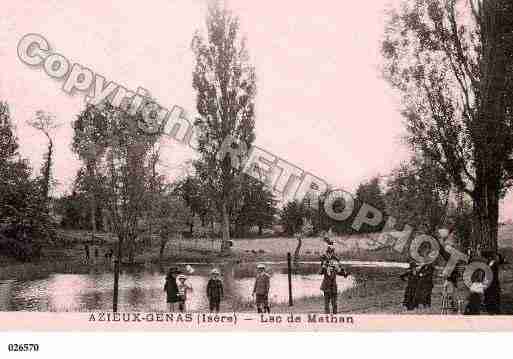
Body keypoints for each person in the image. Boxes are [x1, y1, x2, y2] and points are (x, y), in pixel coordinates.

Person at [320, 250, 348, 314]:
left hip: (333, 287)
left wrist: (345, 273)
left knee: (334, 304)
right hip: (326, 287)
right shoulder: (324, 265)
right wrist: (324, 267)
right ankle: (327, 316)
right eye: (329, 253)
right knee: (326, 304)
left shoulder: (335, 267)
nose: (331, 262)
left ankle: (335, 315)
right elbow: (320, 272)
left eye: (331, 254)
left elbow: (341, 272)